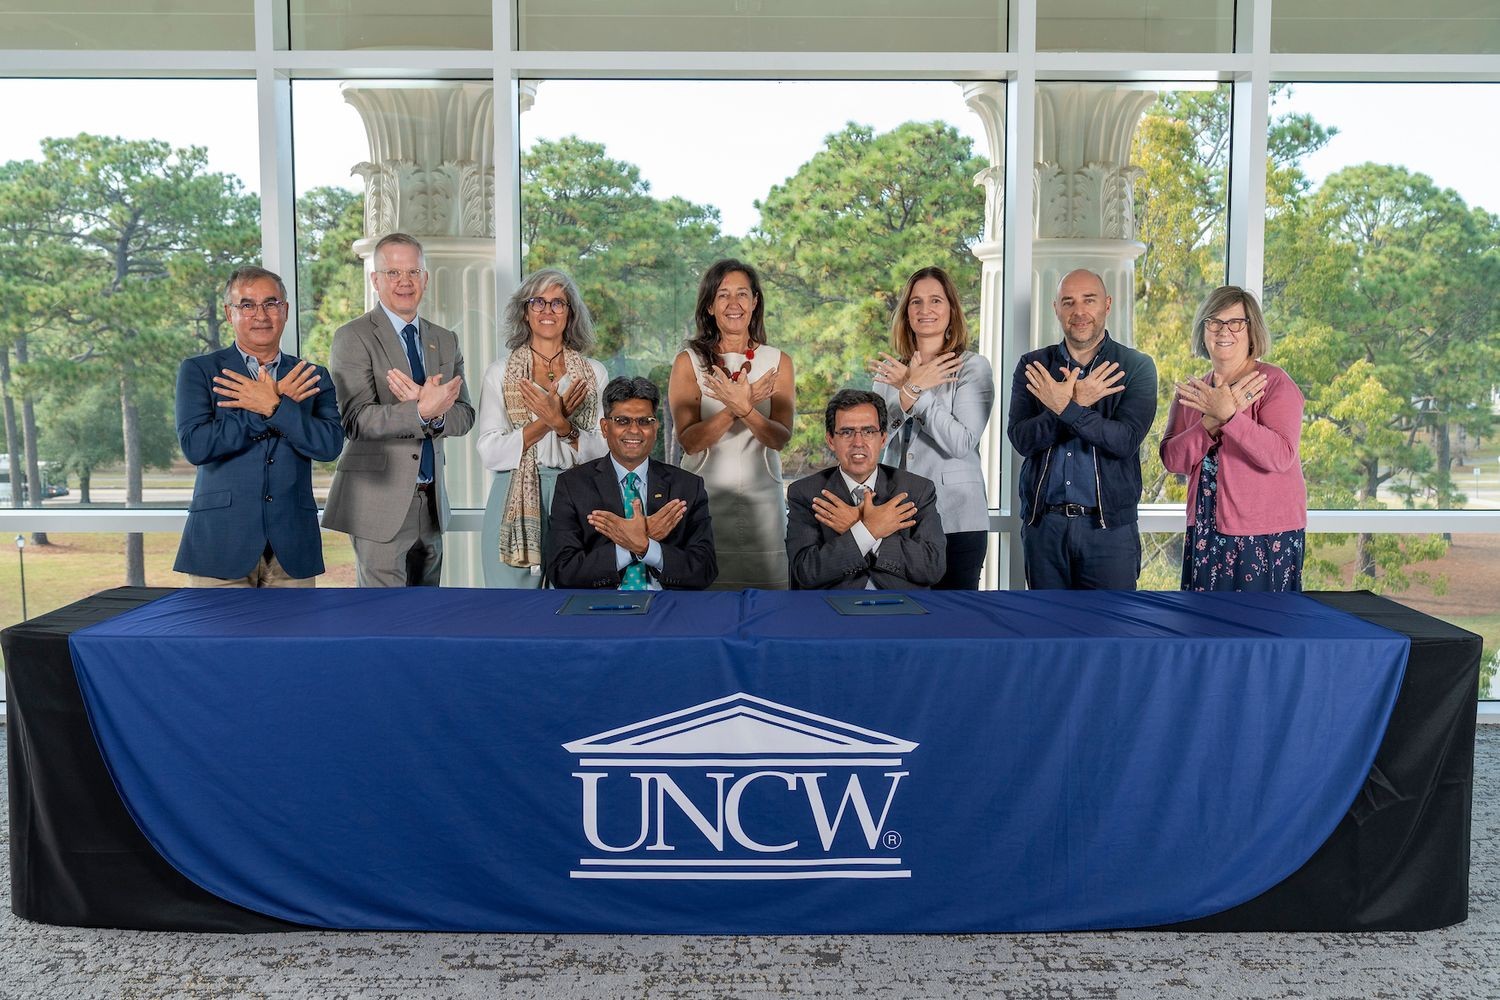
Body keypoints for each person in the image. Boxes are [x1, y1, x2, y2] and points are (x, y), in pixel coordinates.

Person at [173, 266, 344, 586]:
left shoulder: (312, 375)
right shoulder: (199, 371)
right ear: (229, 312)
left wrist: (275, 406)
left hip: (292, 545)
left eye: (271, 303)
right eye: (247, 305)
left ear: (286, 310)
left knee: (294, 637)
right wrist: (273, 403)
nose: (261, 315)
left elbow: (329, 445)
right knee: (217, 637)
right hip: (221, 543)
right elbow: (197, 446)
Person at [322, 232, 475, 587]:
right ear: (375, 280)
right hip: (379, 503)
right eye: (393, 273)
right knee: (383, 619)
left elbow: (465, 415)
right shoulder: (353, 336)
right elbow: (356, 420)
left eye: (412, 272)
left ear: (425, 278)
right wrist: (420, 410)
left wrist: (434, 413)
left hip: (431, 502)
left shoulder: (445, 339)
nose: (404, 282)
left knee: (427, 616)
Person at [1007, 268, 1157, 590]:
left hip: (1109, 532)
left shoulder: (1136, 367)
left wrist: (1067, 407)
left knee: (1109, 635)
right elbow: (1022, 439)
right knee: (1047, 634)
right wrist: (1077, 403)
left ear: (1107, 304)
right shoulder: (1033, 367)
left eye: (1089, 300)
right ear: (1056, 309)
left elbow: (1124, 441)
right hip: (1044, 528)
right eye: (1068, 302)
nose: (1079, 312)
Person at [1161, 286, 1306, 591]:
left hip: (1265, 536)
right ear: (1203, 331)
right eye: (1214, 322)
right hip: (1205, 530)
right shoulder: (1194, 393)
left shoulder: (1275, 383)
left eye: (1235, 322)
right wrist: (1211, 420)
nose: (1224, 330)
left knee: (1258, 633)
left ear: (1252, 331)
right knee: (1208, 633)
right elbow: (1173, 459)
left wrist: (1230, 417)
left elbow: (1280, 456)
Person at [668, 259, 795, 590]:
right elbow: (690, 441)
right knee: (707, 603)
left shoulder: (778, 361)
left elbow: (779, 438)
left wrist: (746, 409)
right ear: (710, 306)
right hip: (705, 499)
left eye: (742, 294)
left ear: (755, 302)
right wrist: (737, 407)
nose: (733, 303)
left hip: (763, 500)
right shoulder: (689, 362)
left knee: (769, 600)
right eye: (723, 295)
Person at [477, 269, 608, 587]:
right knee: (512, 611)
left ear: (571, 313)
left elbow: (604, 452)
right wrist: (547, 422)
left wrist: (563, 424)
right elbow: (490, 453)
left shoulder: (594, 373)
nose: (547, 311)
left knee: (575, 601)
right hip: (512, 496)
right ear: (525, 311)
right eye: (538, 302)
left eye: (558, 303)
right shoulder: (499, 373)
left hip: (579, 494)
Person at [869, 265, 994, 590]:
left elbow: (960, 442)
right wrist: (908, 387)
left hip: (956, 519)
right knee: (901, 621)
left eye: (936, 301)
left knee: (953, 625)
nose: (926, 310)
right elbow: (874, 441)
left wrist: (914, 392)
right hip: (896, 520)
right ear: (906, 313)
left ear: (951, 309)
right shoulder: (890, 374)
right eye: (916, 302)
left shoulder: (972, 368)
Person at [546, 376, 717, 590]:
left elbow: (705, 570)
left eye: (645, 421)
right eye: (622, 421)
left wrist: (646, 547)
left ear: (656, 427)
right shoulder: (572, 486)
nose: (634, 430)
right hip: (599, 612)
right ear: (605, 427)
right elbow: (562, 572)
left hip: (667, 608)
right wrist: (633, 546)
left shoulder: (688, 487)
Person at [785, 389, 946, 590]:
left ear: (883, 439)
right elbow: (807, 571)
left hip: (902, 610)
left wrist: (858, 527)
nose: (858, 443)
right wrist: (868, 531)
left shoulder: (917, 490)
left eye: (869, 431)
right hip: (832, 611)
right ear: (830, 441)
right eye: (846, 432)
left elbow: (932, 568)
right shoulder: (806, 493)